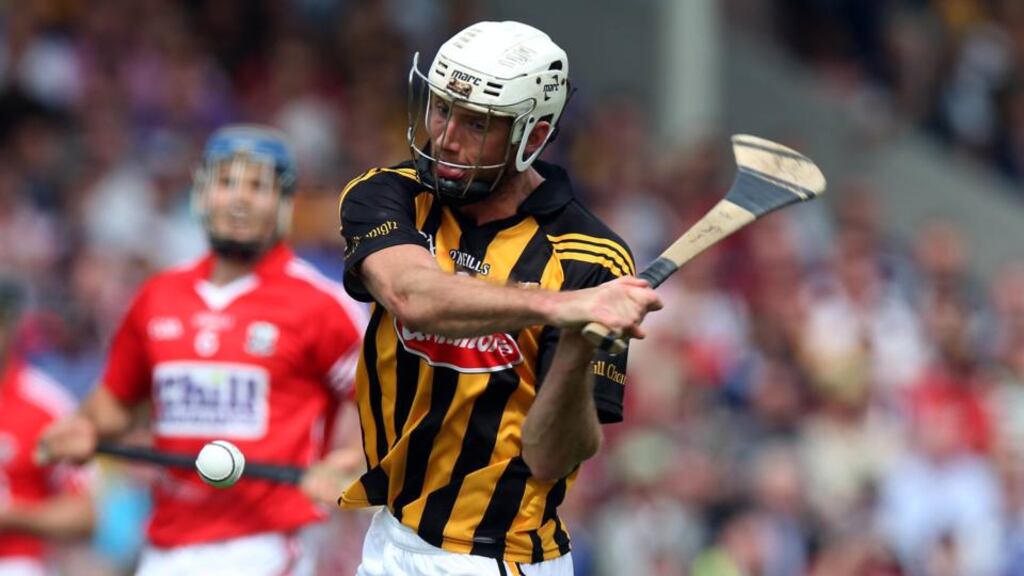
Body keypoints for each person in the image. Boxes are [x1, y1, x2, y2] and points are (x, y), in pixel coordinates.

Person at [337, 21, 662, 575]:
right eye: (441, 109)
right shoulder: (388, 194)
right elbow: (410, 294)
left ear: (532, 137)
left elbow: (552, 456)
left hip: (497, 557)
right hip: (389, 536)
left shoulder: (593, 259)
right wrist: (557, 306)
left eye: (476, 122)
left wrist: (579, 343)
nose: (446, 136)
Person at [38, 125, 365, 575]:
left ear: (284, 202)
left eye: (258, 186)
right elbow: (117, 401)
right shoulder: (157, 297)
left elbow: (378, 401)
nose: (240, 199)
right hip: (165, 543)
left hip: (268, 543)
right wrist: (83, 426)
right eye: (226, 182)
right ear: (202, 192)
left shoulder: (322, 305)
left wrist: (345, 462)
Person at [0, 280, 94, 576]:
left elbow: (83, 513)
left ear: (10, 326)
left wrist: (12, 516)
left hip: (15, 562)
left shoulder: (47, 405)